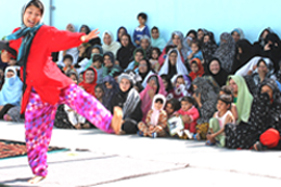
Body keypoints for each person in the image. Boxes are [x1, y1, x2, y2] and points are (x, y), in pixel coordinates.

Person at [1, 1, 113, 183]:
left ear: (41, 17)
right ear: (23, 13)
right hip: (36, 90)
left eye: (37, 14)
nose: (33, 17)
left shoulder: (44, 32)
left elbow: (62, 37)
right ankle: (39, 170)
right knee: (34, 133)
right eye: (29, 13)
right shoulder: (17, 34)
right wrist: (6, 53)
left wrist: (81, 38)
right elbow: (10, 50)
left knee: (81, 99)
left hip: (54, 82)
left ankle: (111, 123)